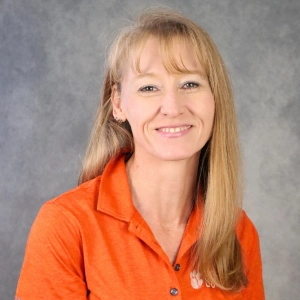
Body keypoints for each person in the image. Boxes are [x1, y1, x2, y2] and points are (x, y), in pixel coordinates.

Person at [16, 8, 264, 300]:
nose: (172, 107)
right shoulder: (66, 225)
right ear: (118, 104)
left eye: (190, 84)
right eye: (149, 87)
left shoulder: (237, 231)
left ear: (215, 98)